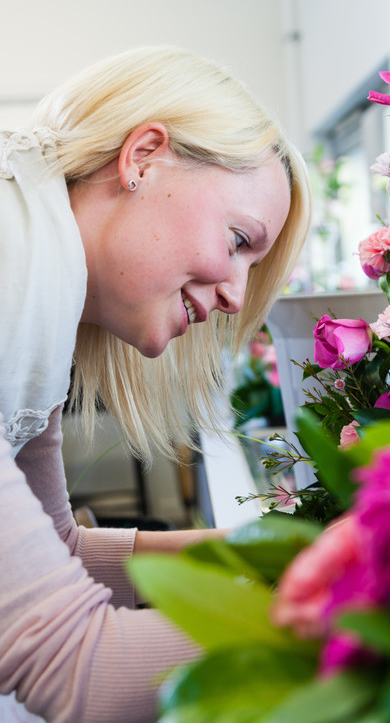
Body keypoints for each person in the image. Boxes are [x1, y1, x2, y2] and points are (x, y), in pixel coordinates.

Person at [0, 45, 311, 722]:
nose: (235, 294)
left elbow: (59, 552)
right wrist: (371, 611)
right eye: (238, 240)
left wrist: (269, 551)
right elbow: (79, 667)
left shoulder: (41, 297)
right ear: (143, 157)